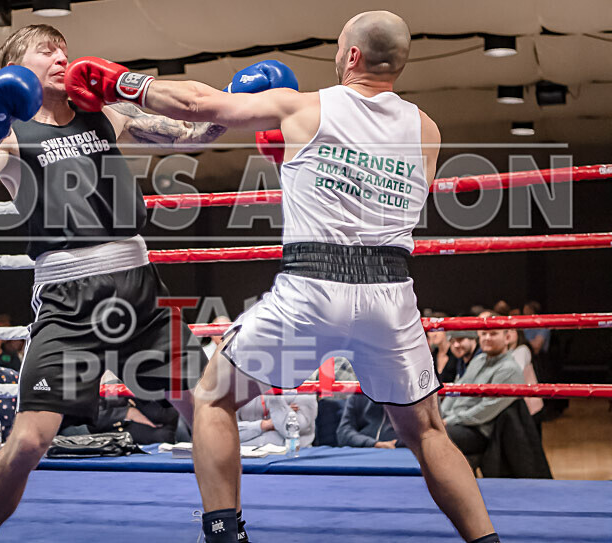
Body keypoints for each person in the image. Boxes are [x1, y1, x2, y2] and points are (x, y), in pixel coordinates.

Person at [64, 10, 502, 542]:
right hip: (391, 297)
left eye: (340, 47)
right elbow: (383, 199)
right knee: (429, 430)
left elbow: (197, 106)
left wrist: (118, 80)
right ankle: (487, 539)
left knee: (212, 397)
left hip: (314, 289)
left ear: (353, 56)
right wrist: (289, 158)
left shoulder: (305, 106)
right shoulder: (426, 130)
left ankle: (225, 532)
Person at [0, 25, 282, 543]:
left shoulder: (104, 114)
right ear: (14, 68)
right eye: (45, 51)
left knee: (208, 401)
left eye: (63, 49)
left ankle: (224, 531)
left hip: (137, 286)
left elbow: (192, 135)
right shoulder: (9, 133)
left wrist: (233, 99)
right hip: (65, 296)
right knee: (30, 441)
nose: (61, 57)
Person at [440, 321, 525, 458]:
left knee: (428, 438)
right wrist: (440, 416)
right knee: (415, 430)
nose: (487, 338)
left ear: (507, 337)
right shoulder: (478, 360)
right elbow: (457, 389)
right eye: (484, 334)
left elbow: (485, 410)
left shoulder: (509, 369)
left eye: (493, 334)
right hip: (456, 422)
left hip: (477, 430)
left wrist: (448, 421)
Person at [236, 393, 317, 448]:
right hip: (246, 458)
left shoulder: (304, 390)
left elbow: (291, 432)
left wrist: (275, 396)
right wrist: (264, 425)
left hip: (293, 458)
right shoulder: (236, 388)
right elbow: (230, 433)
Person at [336, 393, 402, 449]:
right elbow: (343, 433)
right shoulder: (357, 396)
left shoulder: (408, 397)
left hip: (399, 451)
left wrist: (399, 443)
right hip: (363, 451)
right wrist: (374, 444)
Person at [507, 329, 543, 418]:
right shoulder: (506, 352)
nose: (508, 333)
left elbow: (514, 373)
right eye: (505, 330)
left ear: (518, 333)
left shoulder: (522, 349)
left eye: (511, 330)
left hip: (529, 404)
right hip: (518, 402)